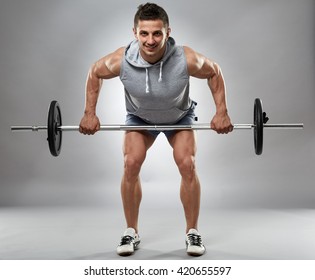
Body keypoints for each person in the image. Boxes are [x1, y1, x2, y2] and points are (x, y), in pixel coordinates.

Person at [79, 3, 233, 257]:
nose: (150, 41)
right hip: (140, 119)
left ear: (168, 32)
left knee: (188, 164)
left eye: (157, 33)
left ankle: (192, 232)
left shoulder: (186, 58)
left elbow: (214, 72)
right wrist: (89, 113)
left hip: (179, 118)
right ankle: (131, 231)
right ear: (135, 32)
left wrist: (222, 111)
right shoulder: (121, 60)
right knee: (130, 163)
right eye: (144, 34)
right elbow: (95, 72)